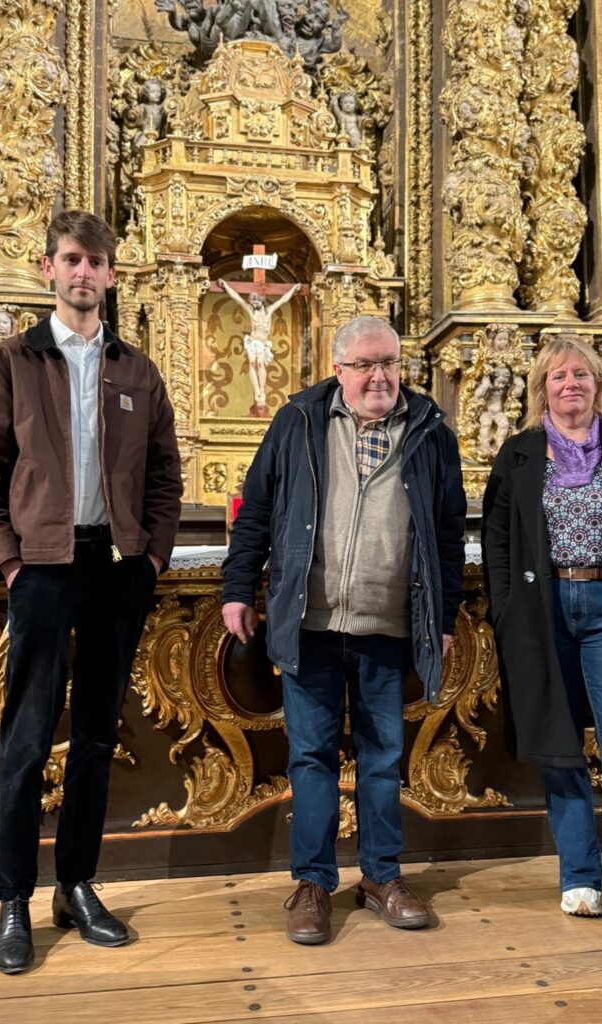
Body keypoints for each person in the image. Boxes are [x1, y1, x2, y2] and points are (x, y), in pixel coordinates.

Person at [0, 210, 182, 974]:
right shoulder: (13, 362)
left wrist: (150, 559)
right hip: (42, 569)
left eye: (97, 262)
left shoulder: (135, 370)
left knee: (93, 739)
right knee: (25, 738)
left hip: (115, 570)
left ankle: (77, 884)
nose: (84, 273)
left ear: (113, 275)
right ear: (50, 269)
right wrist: (10, 565)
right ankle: (13, 899)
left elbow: (163, 478)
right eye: (72, 260)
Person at [221, 315, 466, 945]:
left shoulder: (431, 431)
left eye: (388, 362)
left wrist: (439, 620)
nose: (379, 376)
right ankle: (312, 883)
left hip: (389, 624)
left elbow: (445, 537)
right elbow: (256, 512)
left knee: (383, 758)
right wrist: (235, 590)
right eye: (364, 365)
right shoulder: (298, 420)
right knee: (311, 756)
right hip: (311, 621)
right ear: (339, 371)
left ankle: (383, 876)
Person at [482, 335, 602, 940]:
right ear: (543, 387)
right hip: (542, 612)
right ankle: (580, 879)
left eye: (582, 375)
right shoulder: (517, 456)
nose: (571, 385)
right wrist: (507, 608)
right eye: (559, 376)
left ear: (598, 384)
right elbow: (498, 542)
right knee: (559, 747)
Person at [218, 278, 300, 417]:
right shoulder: (250, 311)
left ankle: (262, 390)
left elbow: (283, 300)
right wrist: (225, 286)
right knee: (252, 364)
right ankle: (257, 391)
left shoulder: (268, 312)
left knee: (260, 364)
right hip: (253, 342)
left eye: (256, 302)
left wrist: (294, 289)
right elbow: (237, 298)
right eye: (252, 302)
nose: (254, 304)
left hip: (262, 343)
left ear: (261, 301)